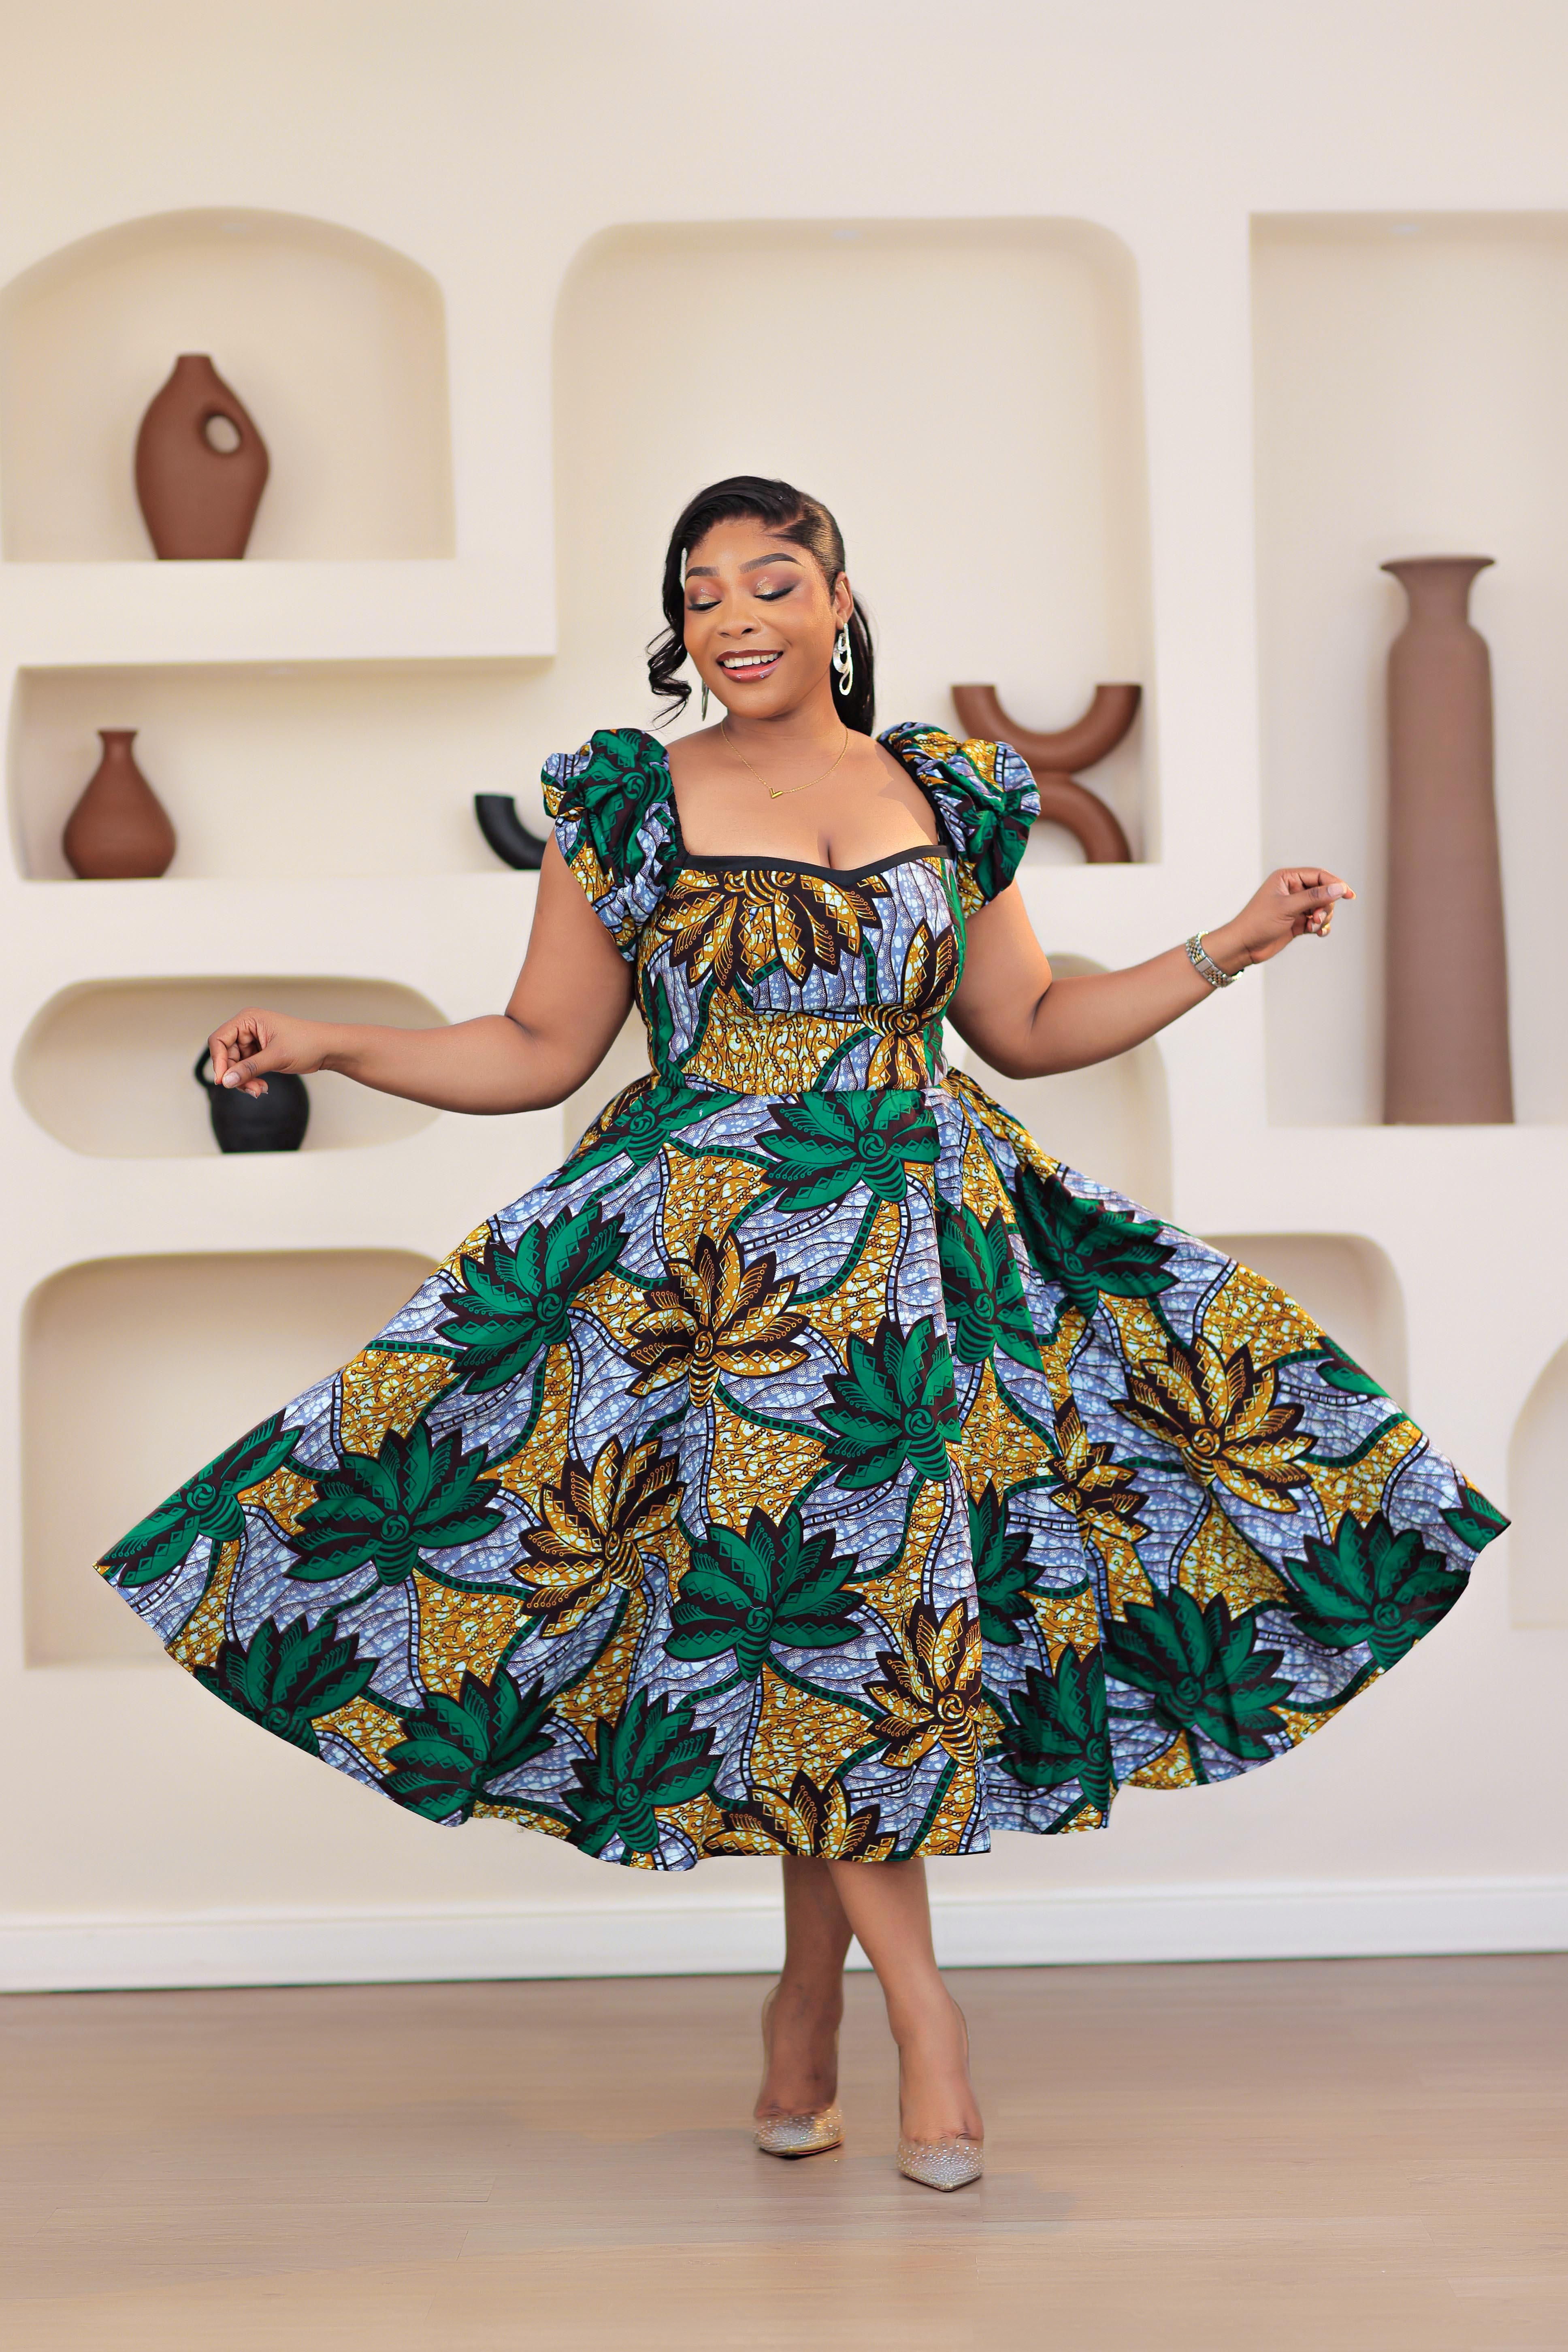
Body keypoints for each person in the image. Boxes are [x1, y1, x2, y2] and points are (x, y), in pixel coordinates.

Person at [97, 475, 1506, 2192]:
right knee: (818, 1624)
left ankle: (796, 2012)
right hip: (717, 1280)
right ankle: (930, 2028)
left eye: (772, 580)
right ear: (680, 627)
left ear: (841, 600)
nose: (735, 617)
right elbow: (539, 1048)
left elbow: (1032, 1025)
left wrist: (1228, 944)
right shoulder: (621, 801)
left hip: (930, 1262)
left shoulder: (953, 790)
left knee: (840, 1632)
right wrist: (331, 1040)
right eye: (700, 594)